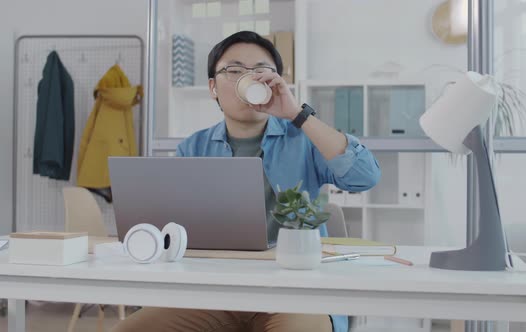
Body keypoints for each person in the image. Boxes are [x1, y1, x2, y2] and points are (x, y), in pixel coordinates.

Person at [111, 31, 381, 332]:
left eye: (261, 71)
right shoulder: (193, 148)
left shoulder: (303, 138)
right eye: (235, 70)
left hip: (295, 295)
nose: (249, 79)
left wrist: (296, 114)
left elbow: (364, 177)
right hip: (214, 294)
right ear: (213, 87)